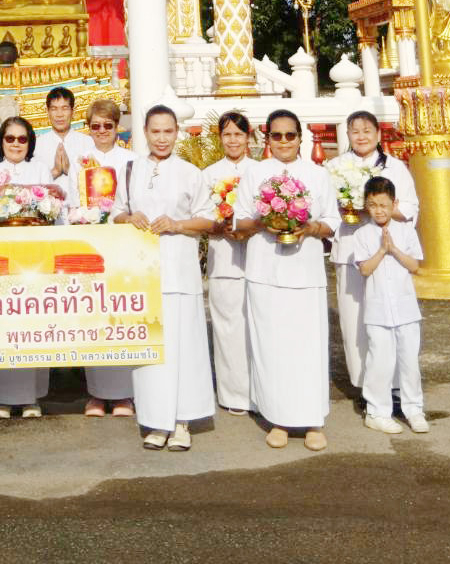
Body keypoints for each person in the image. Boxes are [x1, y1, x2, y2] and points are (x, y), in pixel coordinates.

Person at [234, 108, 339, 452]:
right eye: (276, 136)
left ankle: (312, 420)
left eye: (289, 135)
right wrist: (265, 220)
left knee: (308, 347)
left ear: (300, 138)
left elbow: (332, 222)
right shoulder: (254, 172)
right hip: (264, 270)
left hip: (305, 272)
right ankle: (277, 418)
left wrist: (310, 227)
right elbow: (240, 222)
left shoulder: (317, 174)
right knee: (272, 347)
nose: (283, 142)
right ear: (267, 139)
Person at [119, 104, 216, 452]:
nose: (162, 138)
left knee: (183, 347)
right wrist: (129, 218)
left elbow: (209, 220)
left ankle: (182, 421)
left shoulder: (190, 173)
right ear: (145, 132)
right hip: (143, 273)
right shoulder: (131, 170)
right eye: (155, 131)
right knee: (151, 350)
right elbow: (116, 212)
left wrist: (176, 224)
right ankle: (155, 420)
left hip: (180, 270)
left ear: (177, 133)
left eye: (168, 131)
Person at [328, 109, 419, 394]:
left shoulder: (394, 168)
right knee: (354, 320)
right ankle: (365, 387)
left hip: (388, 252)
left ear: (378, 134)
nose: (361, 136)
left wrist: (377, 209)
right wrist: (348, 208)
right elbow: (325, 210)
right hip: (350, 249)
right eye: (355, 131)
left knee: (391, 319)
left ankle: (395, 387)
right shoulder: (335, 167)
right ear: (347, 134)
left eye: (367, 131)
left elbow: (410, 208)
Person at [0, 116, 52, 418]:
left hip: (34, 259)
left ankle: (32, 398)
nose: (16, 144)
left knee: (32, 324)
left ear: (30, 142)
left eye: (23, 139)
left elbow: (51, 212)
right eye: (10, 139)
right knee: (0, 324)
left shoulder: (41, 170)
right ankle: (1, 399)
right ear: (1, 142)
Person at [353, 175, 429, 435]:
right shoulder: (362, 234)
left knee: (409, 361)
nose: (379, 211)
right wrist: (381, 251)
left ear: (394, 204)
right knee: (380, 362)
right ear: (366, 205)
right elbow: (365, 269)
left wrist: (394, 249)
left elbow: (414, 266)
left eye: (384, 205)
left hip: (406, 309)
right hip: (377, 311)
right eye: (373, 205)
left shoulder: (406, 231)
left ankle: (414, 409)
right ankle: (377, 412)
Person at [77, 97, 135, 418]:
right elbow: (72, 202)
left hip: (123, 245)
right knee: (94, 316)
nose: (101, 131)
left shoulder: (131, 160)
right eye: (95, 126)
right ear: (89, 128)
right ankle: (96, 394)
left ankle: (125, 394)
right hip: (91, 244)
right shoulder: (80, 161)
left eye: (107, 125)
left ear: (117, 127)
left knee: (122, 315)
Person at [204, 110, 256, 416]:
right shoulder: (208, 175)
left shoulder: (260, 171)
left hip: (256, 257)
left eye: (238, 134)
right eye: (227, 134)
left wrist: (249, 227)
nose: (233, 140)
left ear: (248, 137)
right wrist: (219, 225)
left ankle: (260, 392)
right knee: (227, 328)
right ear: (220, 137)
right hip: (223, 255)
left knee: (256, 326)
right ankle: (233, 395)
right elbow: (200, 215)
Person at [34, 85, 95, 181]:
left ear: (73, 111)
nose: (59, 114)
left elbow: (96, 182)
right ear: (47, 111)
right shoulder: (36, 146)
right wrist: (55, 172)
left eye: (65, 108)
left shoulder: (88, 143)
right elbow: (31, 184)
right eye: (54, 109)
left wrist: (69, 170)